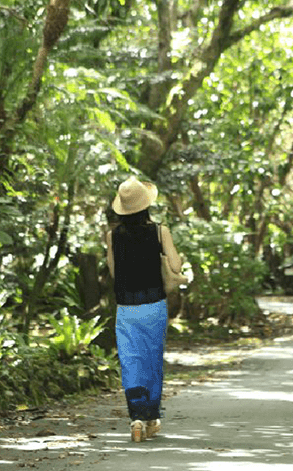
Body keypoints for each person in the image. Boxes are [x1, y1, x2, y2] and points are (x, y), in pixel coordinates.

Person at [105, 176, 182, 443]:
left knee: (131, 361)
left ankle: (136, 418)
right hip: (154, 305)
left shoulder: (112, 236)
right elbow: (175, 265)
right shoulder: (160, 231)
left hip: (126, 307)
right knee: (152, 360)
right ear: (146, 205)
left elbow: (114, 272)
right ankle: (150, 417)